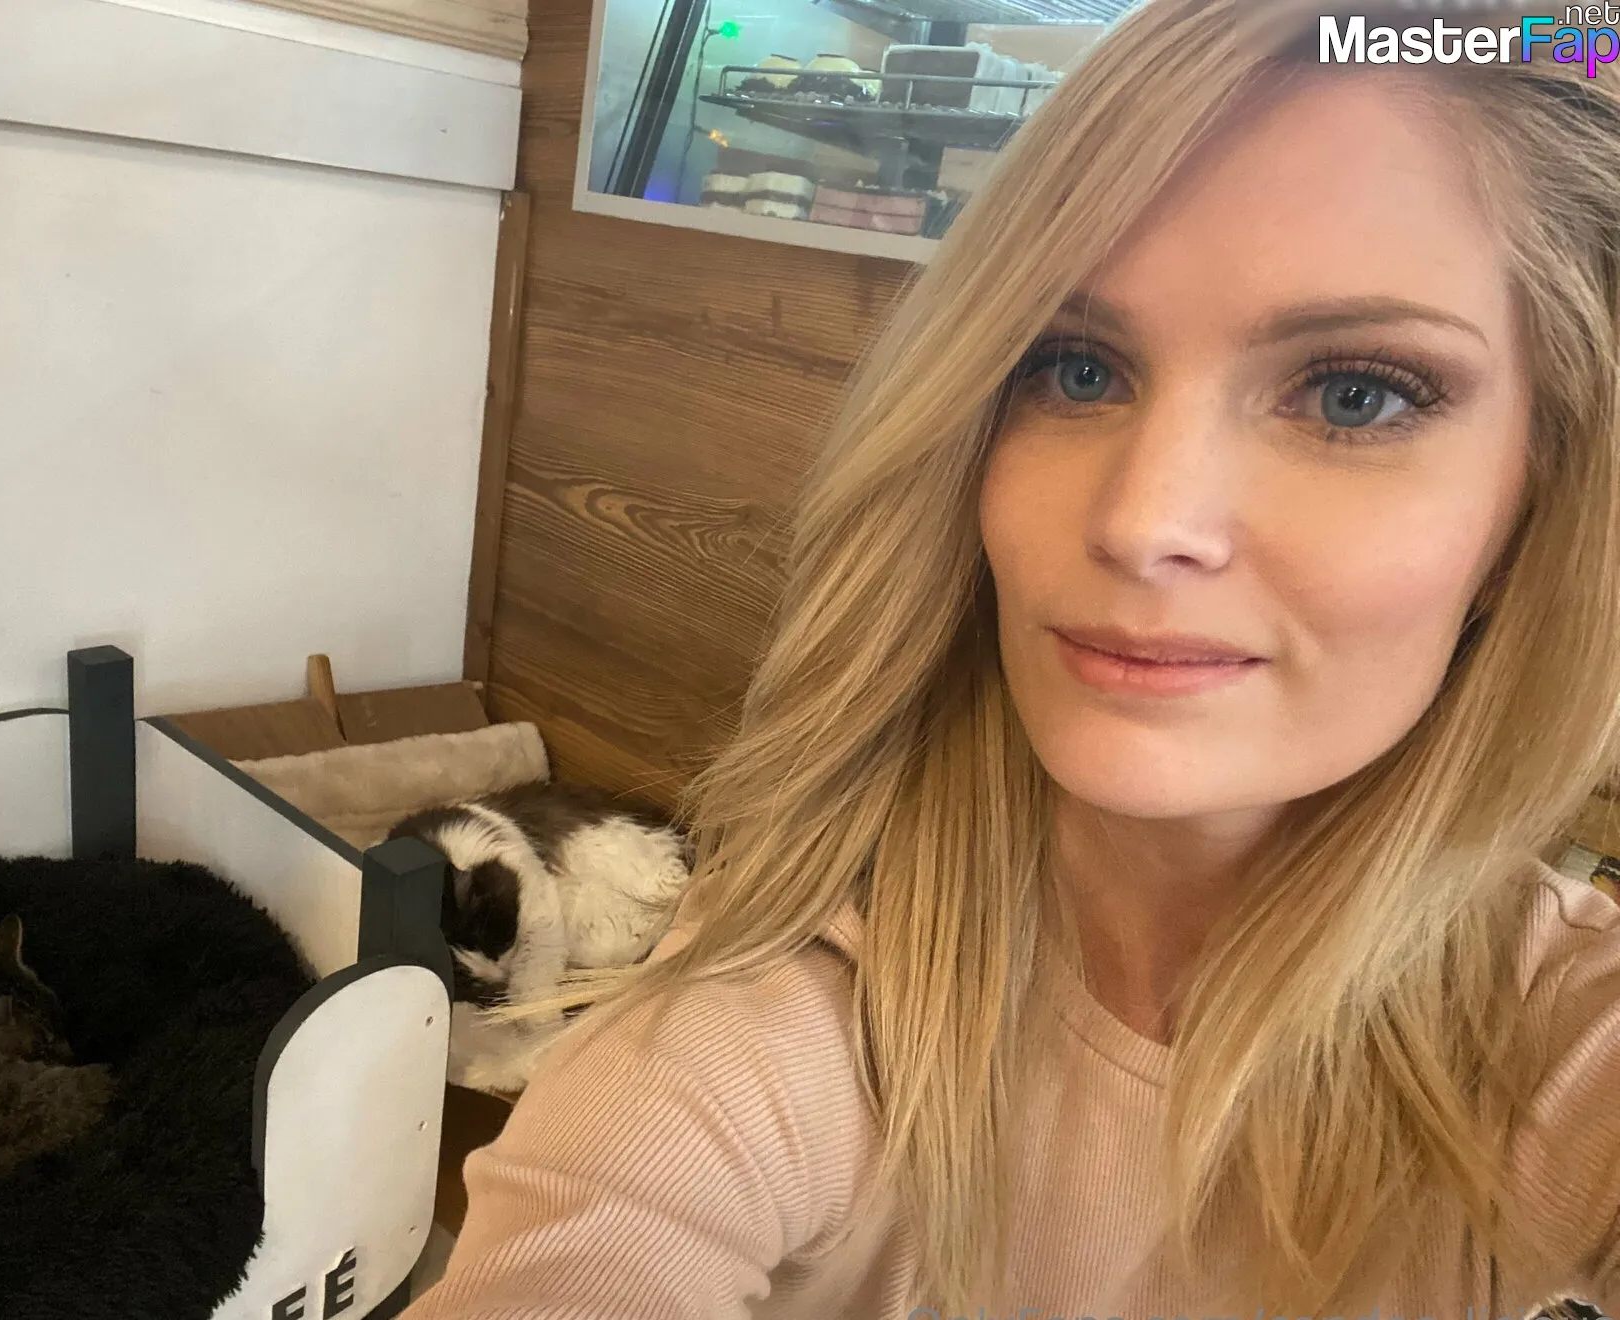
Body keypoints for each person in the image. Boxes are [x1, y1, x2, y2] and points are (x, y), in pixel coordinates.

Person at [403, 0, 1620, 1314]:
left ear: (1539, 507)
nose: (1141, 521)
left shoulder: (1570, 1041)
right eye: (1076, 369)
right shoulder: (777, 1016)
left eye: (1354, 394)